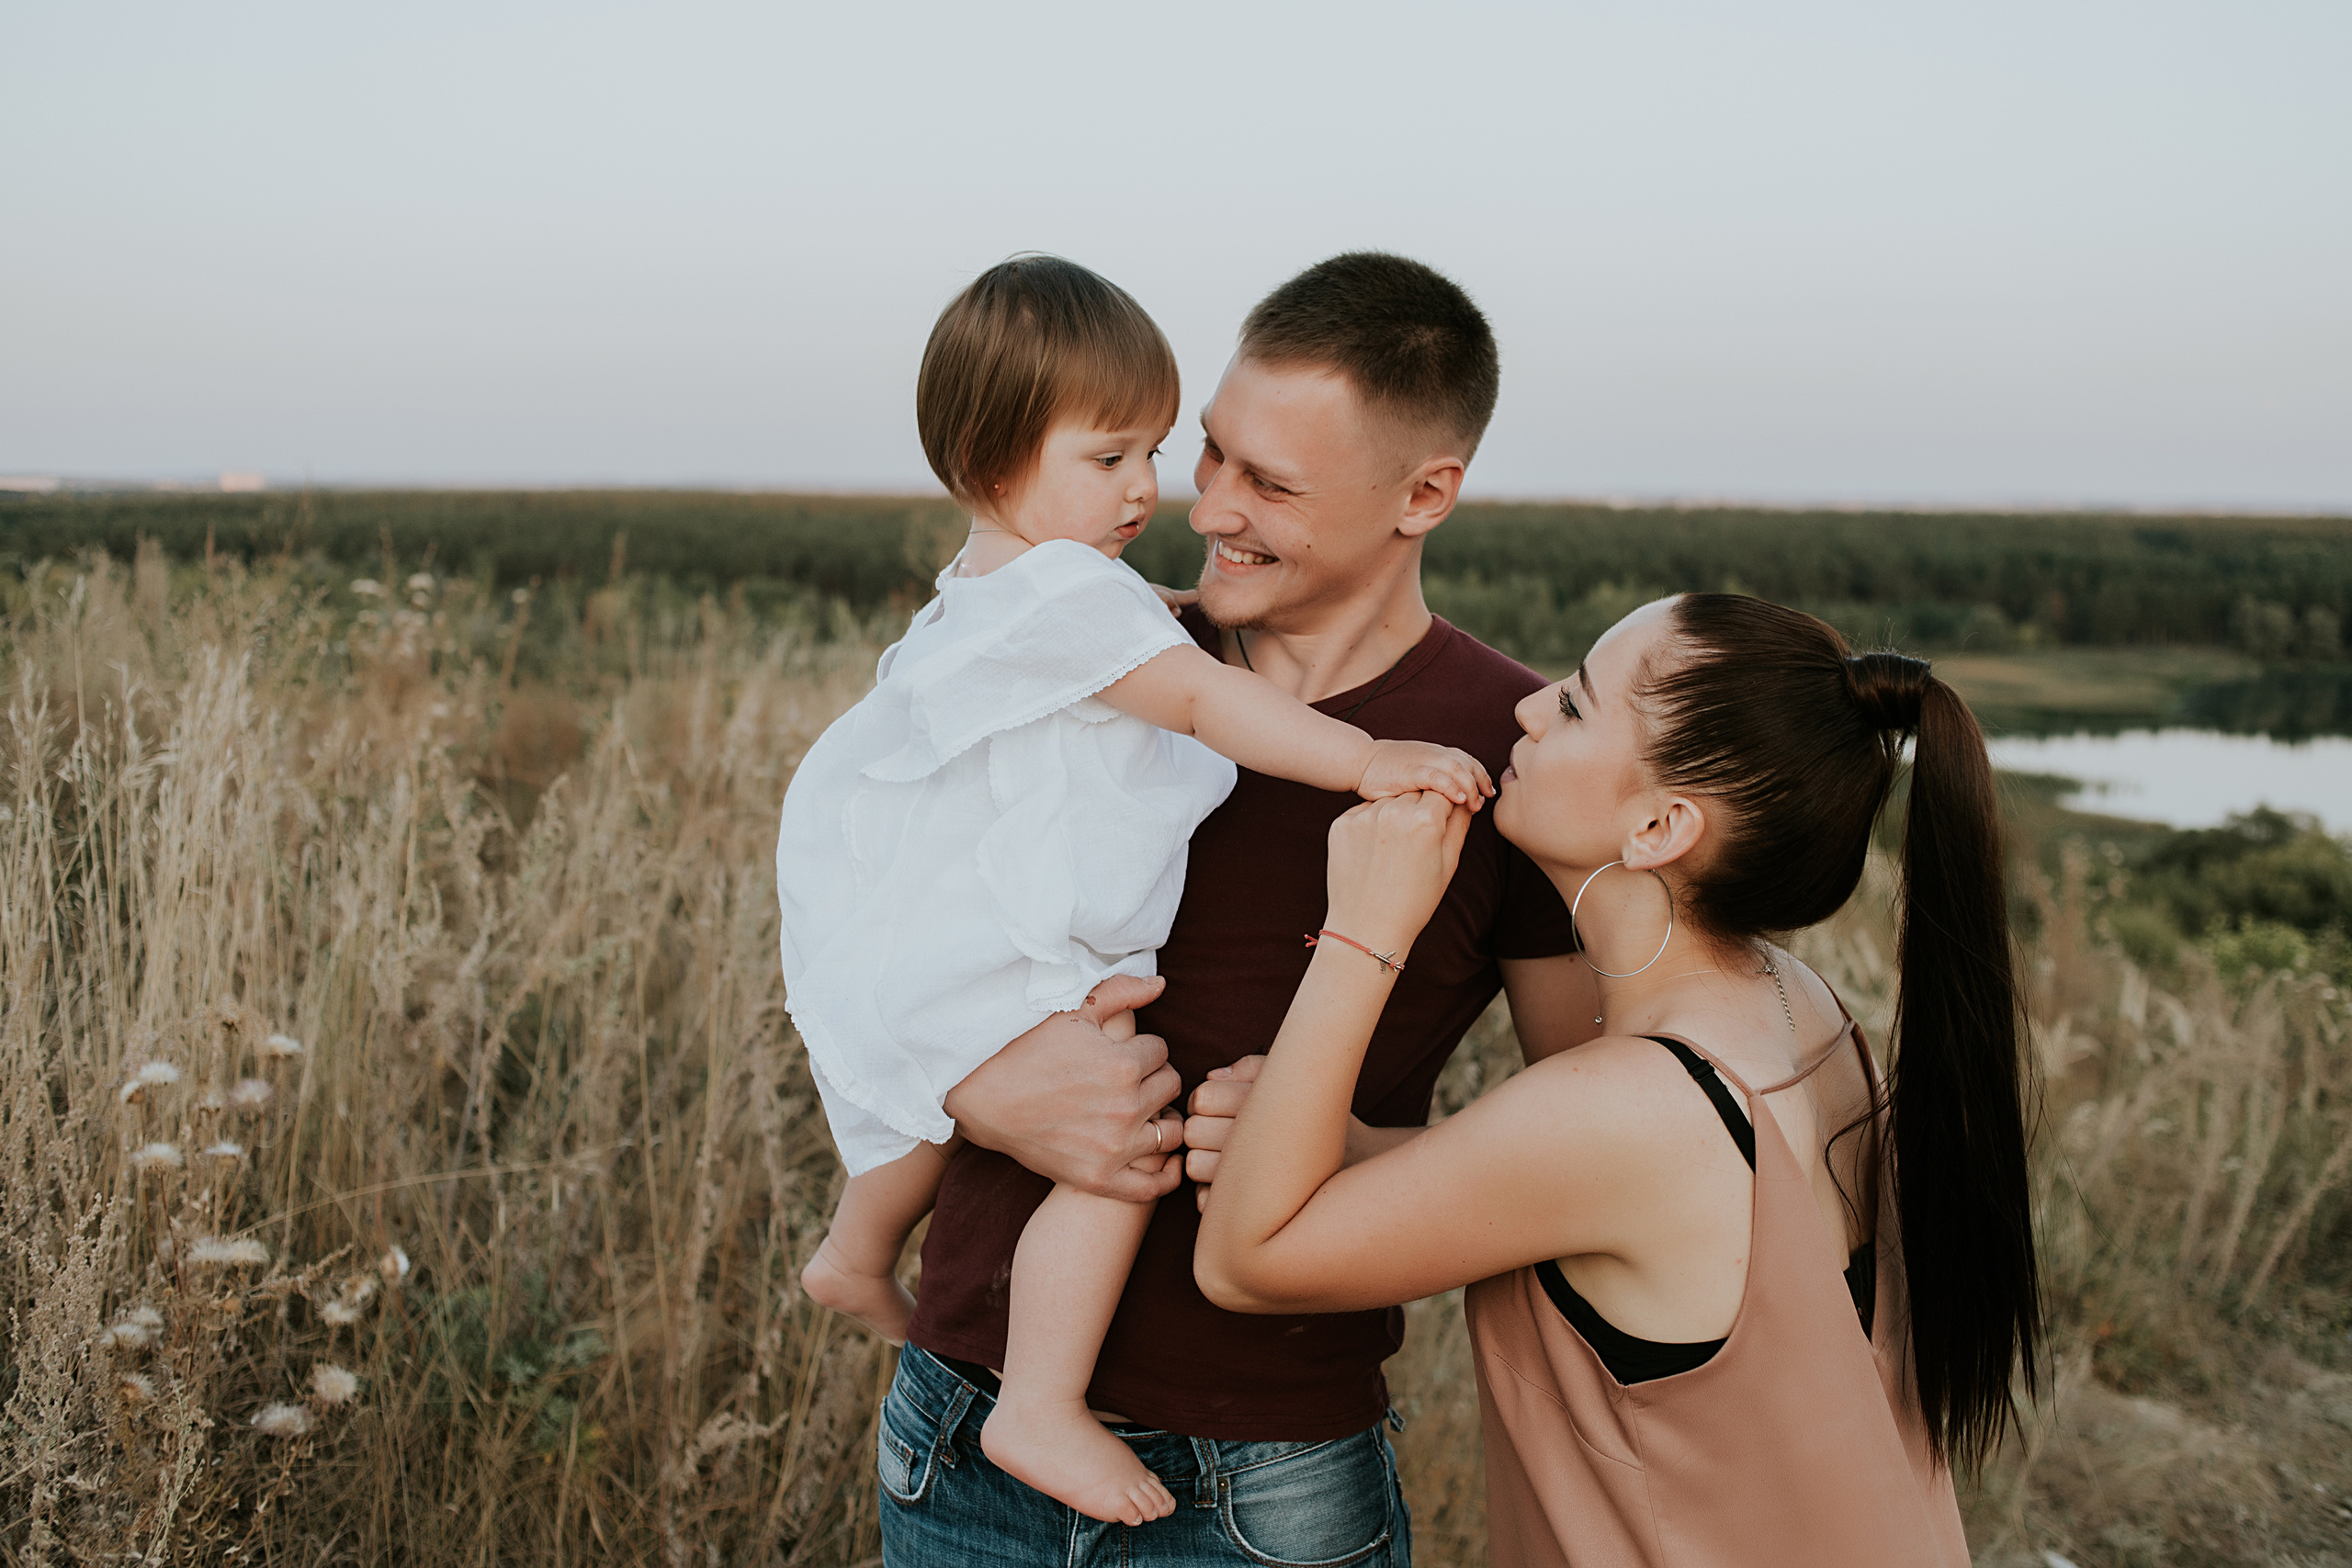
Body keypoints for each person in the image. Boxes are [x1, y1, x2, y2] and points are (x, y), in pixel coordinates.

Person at [882, 253, 1596, 1565]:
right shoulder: (1088, 647)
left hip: (1266, 1483)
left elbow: (1596, 1123)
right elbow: (867, 913)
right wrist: (974, 1084)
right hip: (962, 1429)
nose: (1204, 508)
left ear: (1425, 492)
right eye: (1208, 455)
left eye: (1268, 483)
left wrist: (1363, 1148)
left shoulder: (1522, 752)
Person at [1193, 592, 2042, 1566]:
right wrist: (1365, 1153)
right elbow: (1636, 1208)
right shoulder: (1800, 1011)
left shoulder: (1637, 1105)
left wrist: (1365, 930)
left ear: (1659, 825)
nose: (1526, 708)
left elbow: (1245, 1261)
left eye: (1574, 706)